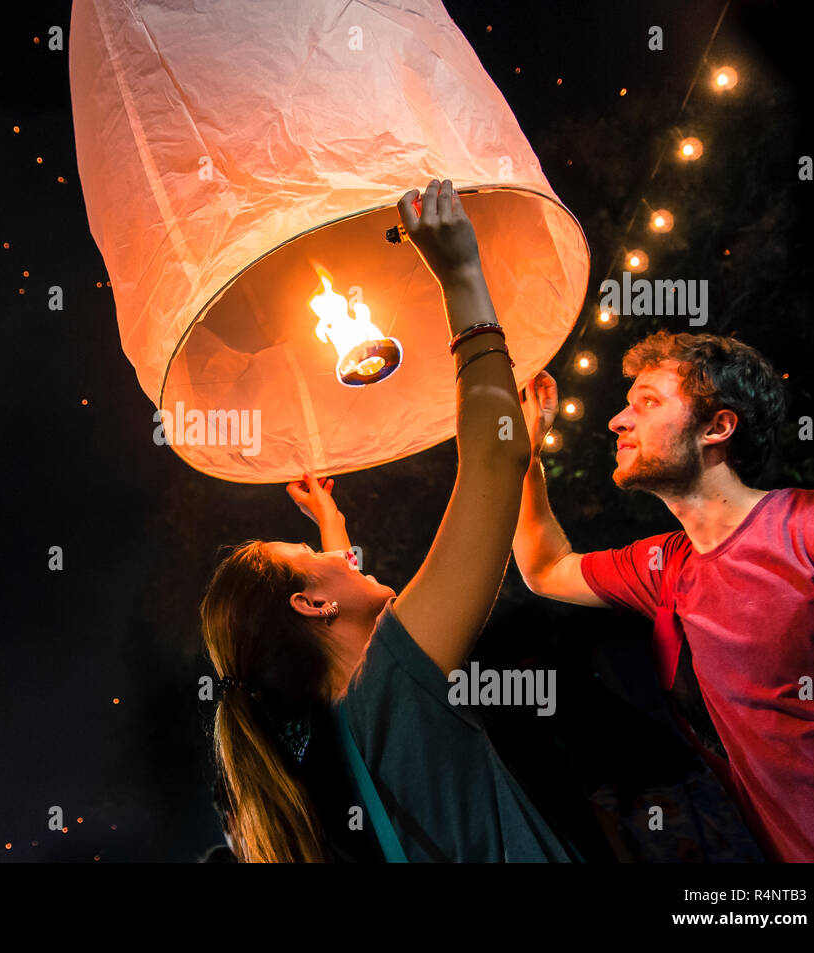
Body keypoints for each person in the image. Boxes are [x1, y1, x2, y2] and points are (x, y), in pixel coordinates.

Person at [198, 179, 580, 862]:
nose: (347, 560)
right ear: (310, 603)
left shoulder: (348, 741)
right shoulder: (387, 696)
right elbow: (490, 456)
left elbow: (343, 597)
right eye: (310, 557)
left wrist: (329, 524)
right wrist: (461, 273)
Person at [512, 334, 814, 862]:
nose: (618, 421)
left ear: (717, 428)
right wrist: (525, 453)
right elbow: (544, 568)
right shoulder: (665, 568)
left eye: (647, 402)